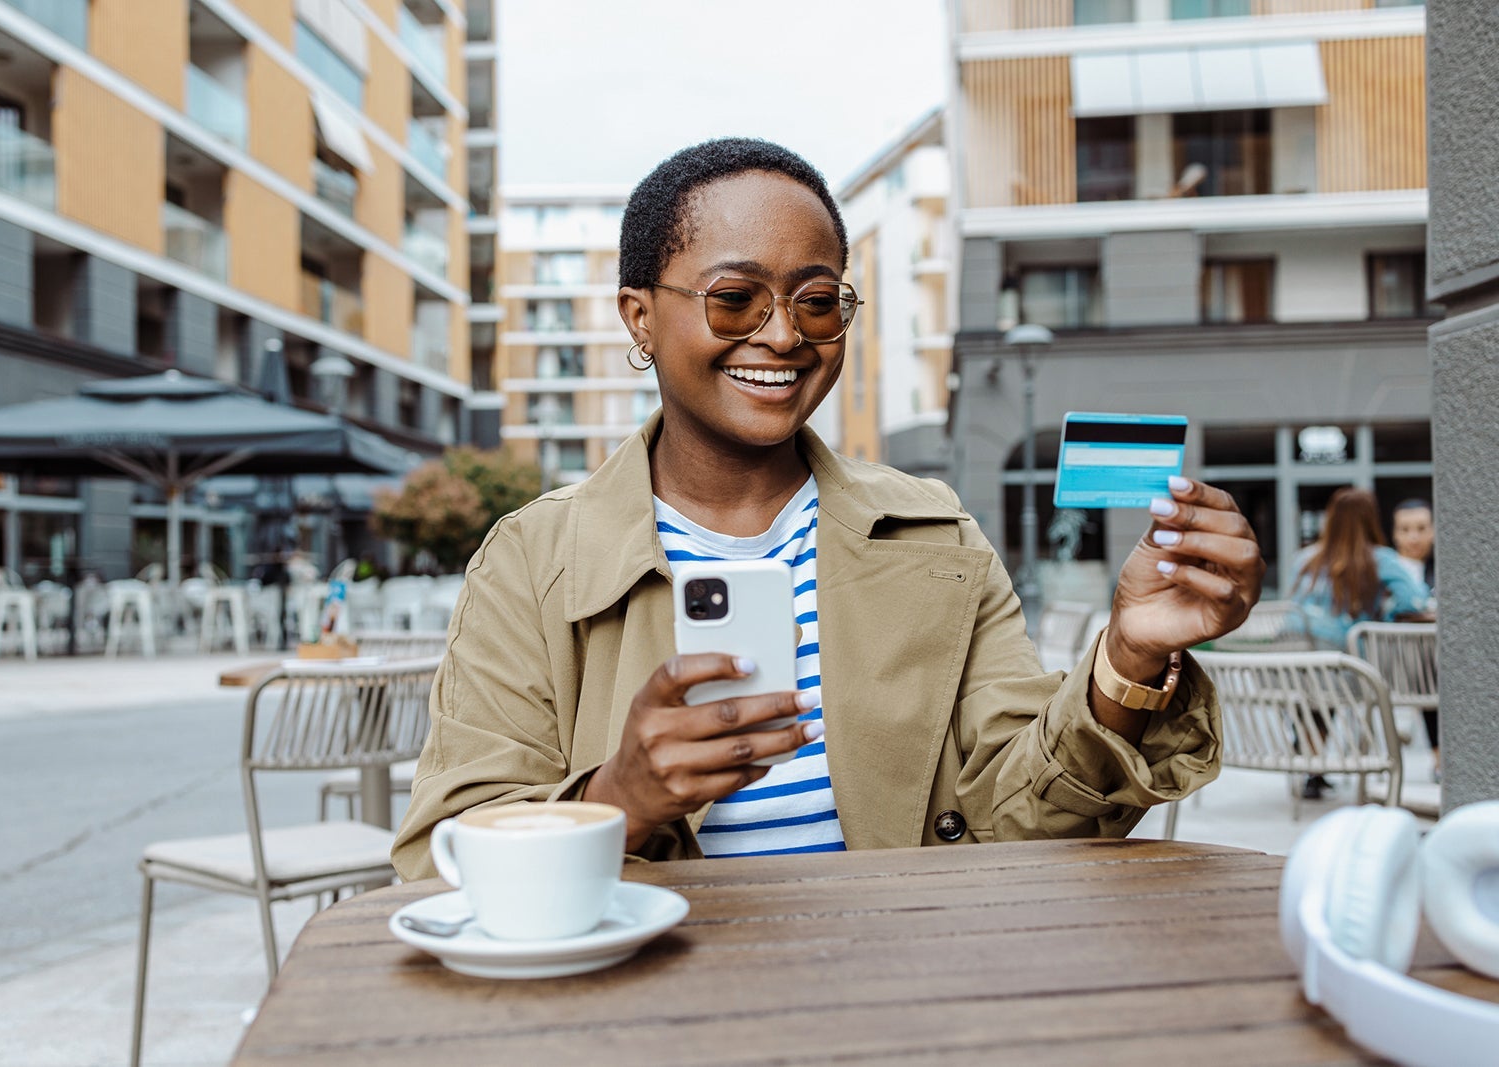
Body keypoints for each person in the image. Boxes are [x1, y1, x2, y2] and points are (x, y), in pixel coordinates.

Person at [391, 139, 1264, 874]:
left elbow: (1022, 820)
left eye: (817, 301)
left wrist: (1130, 657)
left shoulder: (937, 537)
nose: (782, 335)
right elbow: (443, 856)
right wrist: (620, 797)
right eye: (735, 297)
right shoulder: (532, 561)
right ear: (639, 317)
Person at [1290, 487, 1431, 798]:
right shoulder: (1380, 559)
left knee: (1316, 678)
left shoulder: (1304, 559)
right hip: (1350, 673)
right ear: (1371, 520)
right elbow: (1415, 601)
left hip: (1294, 672)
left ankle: (1311, 768)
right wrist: (1386, 611)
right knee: (1338, 670)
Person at [1391, 497, 1439, 775]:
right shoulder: (1384, 570)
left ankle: (1440, 760)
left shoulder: (1443, 570)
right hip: (1387, 662)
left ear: (1433, 530)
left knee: (1432, 669)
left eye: (1421, 528)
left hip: (1427, 664)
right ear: (1395, 533)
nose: (1414, 537)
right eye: (1406, 529)